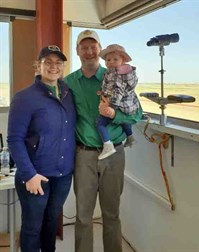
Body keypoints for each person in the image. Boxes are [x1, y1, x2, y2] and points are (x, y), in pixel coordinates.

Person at [64, 30, 142, 252]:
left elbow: (136, 115)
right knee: (83, 216)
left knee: (111, 214)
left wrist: (114, 115)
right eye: (84, 47)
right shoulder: (69, 83)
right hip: (84, 156)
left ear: (100, 50)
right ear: (78, 51)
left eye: (93, 47)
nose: (89, 52)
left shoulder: (117, 77)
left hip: (114, 155)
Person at [7, 45, 76, 252]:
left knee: (51, 223)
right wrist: (29, 175)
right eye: (48, 62)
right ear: (38, 66)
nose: (53, 67)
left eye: (58, 63)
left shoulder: (68, 94)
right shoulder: (24, 97)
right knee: (32, 228)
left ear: (63, 67)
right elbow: (14, 139)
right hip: (35, 176)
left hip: (62, 175)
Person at [96, 44, 139, 160]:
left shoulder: (117, 74)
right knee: (124, 120)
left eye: (115, 59)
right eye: (108, 60)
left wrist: (112, 107)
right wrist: (103, 92)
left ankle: (107, 145)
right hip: (126, 105)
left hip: (117, 104)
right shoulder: (120, 73)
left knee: (100, 123)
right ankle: (130, 137)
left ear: (123, 60)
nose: (111, 62)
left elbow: (117, 90)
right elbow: (111, 88)